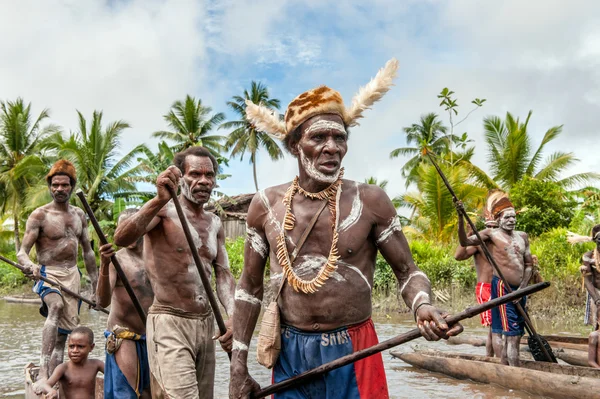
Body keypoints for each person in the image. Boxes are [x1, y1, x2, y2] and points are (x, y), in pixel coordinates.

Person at [229, 58, 462, 399]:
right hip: (290, 352)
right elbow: (248, 288)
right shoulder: (265, 205)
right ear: (295, 145)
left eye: (339, 137)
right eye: (319, 137)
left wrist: (422, 305)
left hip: (356, 348)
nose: (332, 147)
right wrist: (238, 366)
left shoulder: (371, 201)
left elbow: (408, 272)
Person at [114, 146, 236, 399]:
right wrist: (159, 199)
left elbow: (223, 273)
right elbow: (122, 238)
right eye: (195, 174)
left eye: (209, 175)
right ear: (180, 178)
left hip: (206, 324)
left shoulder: (214, 222)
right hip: (170, 321)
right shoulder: (163, 212)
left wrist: (233, 317)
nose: (203, 181)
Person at [17, 160, 98, 390]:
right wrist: (29, 265)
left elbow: (88, 252)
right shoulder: (39, 215)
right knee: (55, 307)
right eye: (55, 185)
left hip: (72, 274)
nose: (59, 189)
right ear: (50, 187)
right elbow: (22, 252)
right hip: (47, 273)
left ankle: (55, 379)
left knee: (64, 336)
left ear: (71, 187)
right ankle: (43, 373)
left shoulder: (79, 215)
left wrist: (94, 286)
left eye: (64, 185)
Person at [456, 194, 533, 367]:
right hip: (501, 288)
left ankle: (506, 365)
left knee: (517, 333)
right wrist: (461, 217)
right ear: (498, 219)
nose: (512, 220)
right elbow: (464, 241)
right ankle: (512, 371)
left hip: (520, 289)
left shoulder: (523, 236)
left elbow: (528, 265)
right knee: (509, 334)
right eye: (507, 217)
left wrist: (522, 288)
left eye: (514, 216)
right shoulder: (491, 234)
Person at [97, 209, 154, 398]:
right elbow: (102, 301)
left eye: (132, 227)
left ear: (143, 228)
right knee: (127, 393)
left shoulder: (157, 256)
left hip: (155, 334)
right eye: (123, 227)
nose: (128, 232)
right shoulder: (116, 260)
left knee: (151, 392)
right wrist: (104, 265)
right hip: (125, 335)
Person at [454, 226, 495, 357]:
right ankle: (491, 358)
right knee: (493, 328)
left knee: (499, 327)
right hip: (486, 288)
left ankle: (496, 357)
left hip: (501, 287)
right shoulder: (478, 244)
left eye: (495, 227)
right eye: (490, 227)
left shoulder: (502, 242)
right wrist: (467, 236)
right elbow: (459, 256)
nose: (492, 229)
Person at [39, 326, 104, 399]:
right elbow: (45, 385)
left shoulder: (96, 364)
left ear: (91, 347)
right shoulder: (63, 368)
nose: (75, 350)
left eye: (80, 346)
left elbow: (114, 374)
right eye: (71, 346)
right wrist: (52, 391)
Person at [580, 225, 600, 330]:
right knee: (597, 323)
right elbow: (587, 281)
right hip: (596, 291)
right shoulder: (588, 256)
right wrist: (597, 300)